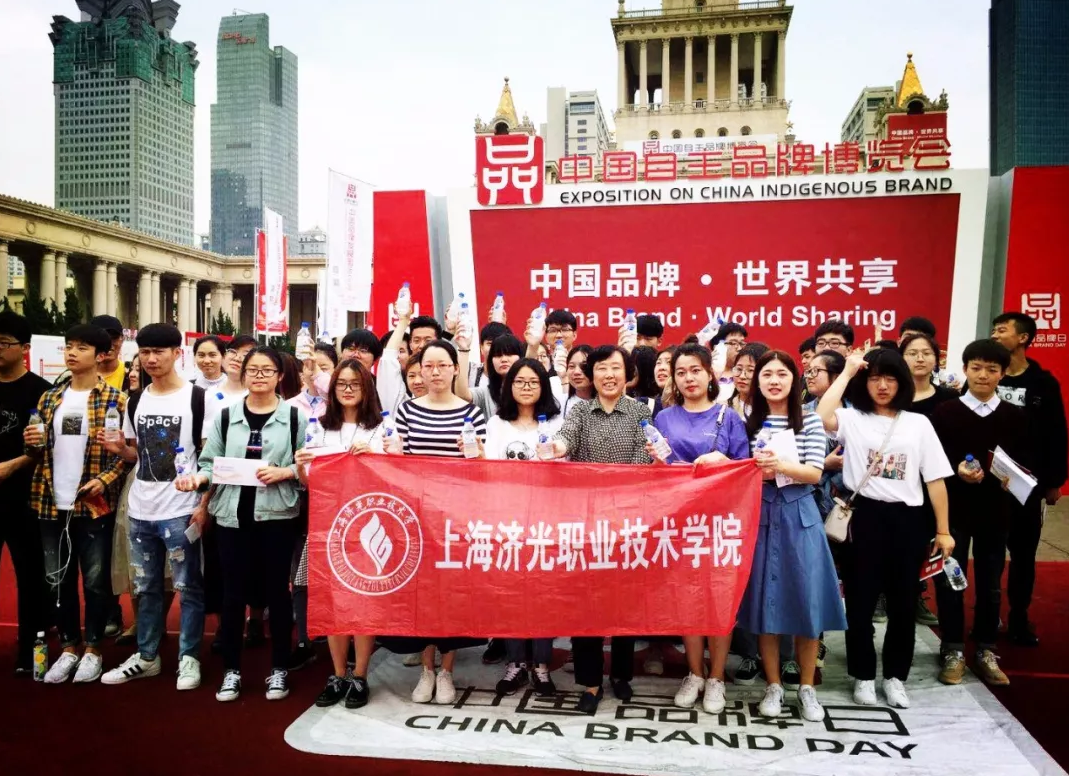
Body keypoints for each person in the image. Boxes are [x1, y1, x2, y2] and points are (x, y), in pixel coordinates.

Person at [817, 348, 954, 710]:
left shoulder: (918, 424)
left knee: (903, 603)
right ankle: (863, 675)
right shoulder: (853, 418)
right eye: (875, 378)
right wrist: (847, 372)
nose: (882, 385)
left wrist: (943, 530)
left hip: (908, 520)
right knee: (860, 603)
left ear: (902, 383)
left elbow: (935, 479)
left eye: (890, 378)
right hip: (863, 517)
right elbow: (821, 416)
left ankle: (895, 677)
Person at [180, 346, 307, 702]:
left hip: (277, 515)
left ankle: (279, 668)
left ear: (280, 376)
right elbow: (210, 462)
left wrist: (286, 472)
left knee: (276, 593)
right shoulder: (226, 417)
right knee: (232, 593)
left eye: (267, 370)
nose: (260, 376)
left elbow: (308, 465)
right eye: (254, 370)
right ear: (243, 373)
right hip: (232, 516)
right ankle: (231, 671)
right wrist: (199, 479)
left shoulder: (294, 418)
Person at [734, 350, 844, 723]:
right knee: (767, 603)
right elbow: (741, 469)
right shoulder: (748, 421)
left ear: (794, 380)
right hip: (761, 513)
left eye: (782, 374)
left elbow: (814, 473)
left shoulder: (809, 420)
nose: (774, 380)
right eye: (767, 374)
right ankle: (773, 685)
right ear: (757, 381)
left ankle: (807, 687)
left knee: (806, 602)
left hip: (800, 514)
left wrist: (778, 465)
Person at [545, 345, 653, 714]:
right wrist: (554, 447)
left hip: (627, 522)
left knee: (626, 601)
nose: (609, 375)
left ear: (628, 374)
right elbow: (566, 438)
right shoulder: (579, 411)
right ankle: (590, 683)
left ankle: (621, 674)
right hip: (586, 524)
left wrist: (617, 493)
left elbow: (644, 456)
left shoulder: (641, 412)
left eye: (616, 368)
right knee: (586, 604)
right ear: (592, 375)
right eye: (602, 368)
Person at [99, 324, 207, 691]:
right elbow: (136, 454)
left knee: (188, 586)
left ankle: (188, 657)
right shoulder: (135, 400)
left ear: (177, 353)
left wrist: (203, 503)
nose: (151, 359)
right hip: (141, 508)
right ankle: (147, 656)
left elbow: (208, 456)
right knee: (145, 587)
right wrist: (121, 450)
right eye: (144, 352)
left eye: (159, 351)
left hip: (180, 508)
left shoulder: (197, 399)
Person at [23, 324, 127, 683]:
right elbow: (36, 450)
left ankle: (94, 649)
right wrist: (31, 442)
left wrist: (104, 480)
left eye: (81, 347)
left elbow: (125, 455)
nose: (71, 353)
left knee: (96, 581)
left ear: (101, 355)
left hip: (93, 503)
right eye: (69, 346)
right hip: (51, 501)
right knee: (56, 580)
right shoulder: (50, 398)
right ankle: (69, 647)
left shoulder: (116, 400)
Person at [654, 344, 750, 714]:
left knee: (718, 599)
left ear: (710, 374)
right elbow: (657, 471)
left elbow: (746, 469)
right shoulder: (664, 417)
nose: (688, 378)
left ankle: (717, 677)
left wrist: (724, 461)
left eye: (695, 370)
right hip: (680, 522)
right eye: (681, 372)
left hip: (721, 521)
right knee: (687, 599)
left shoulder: (729, 416)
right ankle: (694, 672)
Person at [392, 339, 487, 703]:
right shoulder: (407, 410)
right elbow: (399, 463)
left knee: (453, 595)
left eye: (442, 365)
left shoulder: (471, 413)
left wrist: (477, 456)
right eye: (427, 366)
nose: (434, 373)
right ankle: (426, 669)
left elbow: (481, 469)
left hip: (456, 518)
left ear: (454, 369)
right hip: (417, 516)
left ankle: (447, 670)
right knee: (423, 595)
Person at [931, 339, 1029, 687]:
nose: (983, 375)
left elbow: (1025, 462)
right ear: (965, 369)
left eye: (991, 369)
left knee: (990, 583)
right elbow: (934, 460)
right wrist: (956, 469)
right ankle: (952, 648)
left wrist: (1015, 478)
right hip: (954, 511)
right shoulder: (946, 412)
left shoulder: (1015, 417)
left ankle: (986, 648)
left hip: (996, 512)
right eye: (976, 368)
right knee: (950, 580)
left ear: (1003, 373)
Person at [297, 360, 384, 708]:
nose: (348, 390)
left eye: (355, 384)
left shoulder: (382, 428)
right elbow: (308, 482)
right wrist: (301, 465)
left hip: (368, 522)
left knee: (364, 602)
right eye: (341, 384)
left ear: (367, 389)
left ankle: (360, 675)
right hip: (328, 525)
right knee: (332, 602)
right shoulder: (318, 428)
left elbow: (395, 476)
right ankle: (337, 674)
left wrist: (375, 456)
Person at [478, 358, 561, 696]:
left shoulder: (557, 422)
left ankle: (541, 665)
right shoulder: (497, 424)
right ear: (508, 387)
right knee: (510, 593)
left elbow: (567, 468)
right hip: (506, 520)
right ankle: (515, 664)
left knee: (544, 594)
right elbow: (488, 469)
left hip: (547, 520)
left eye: (533, 381)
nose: (526, 387)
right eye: (519, 381)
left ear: (544, 387)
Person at [991, 312, 1068, 646]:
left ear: (1023, 338)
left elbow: (1056, 434)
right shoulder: (986, 376)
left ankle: (1019, 618)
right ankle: (987, 616)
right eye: (993, 330)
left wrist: (1054, 481)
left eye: (1002, 330)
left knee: (1023, 556)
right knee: (990, 554)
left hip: (1028, 485)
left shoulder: (1043, 383)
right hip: (989, 484)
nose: (995, 335)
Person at [0, 311, 52, 676]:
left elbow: (46, 449)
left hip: (25, 498)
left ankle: (30, 650)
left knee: (31, 576)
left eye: (4, 343)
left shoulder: (41, 392)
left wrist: (12, 465)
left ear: (25, 348)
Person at [457, 333, 525, 419]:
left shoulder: (529, 389)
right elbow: (462, 394)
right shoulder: (486, 393)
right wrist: (463, 350)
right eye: (498, 355)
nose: (504, 359)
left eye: (509, 354)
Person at [900, 334, 958, 418]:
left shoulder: (950, 397)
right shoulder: (892, 397)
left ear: (936, 360)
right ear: (901, 359)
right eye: (912, 353)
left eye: (926, 353)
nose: (920, 359)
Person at [727, 342, 769, 421]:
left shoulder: (776, 410)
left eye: (750, 370)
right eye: (739, 369)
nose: (742, 376)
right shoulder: (722, 409)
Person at [90, 315, 127, 391]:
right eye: (101, 338)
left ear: (122, 339)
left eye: (114, 338)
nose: (108, 343)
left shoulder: (131, 375)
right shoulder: (78, 375)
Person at [560, 344, 594, 418]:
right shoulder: (560, 404)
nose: (576, 372)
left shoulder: (608, 403)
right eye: (571, 366)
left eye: (584, 366)